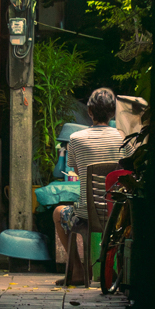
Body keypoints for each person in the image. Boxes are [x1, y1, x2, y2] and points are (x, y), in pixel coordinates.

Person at [52, 87, 122, 284]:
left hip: (86, 214)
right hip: (116, 213)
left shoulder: (75, 139)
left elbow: (73, 167)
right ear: (113, 113)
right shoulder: (123, 138)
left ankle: (78, 272)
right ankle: (119, 271)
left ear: (89, 112)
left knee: (58, 212)